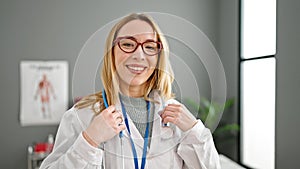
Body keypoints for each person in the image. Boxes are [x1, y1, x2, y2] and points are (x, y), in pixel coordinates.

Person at [40, 13, 221, 169]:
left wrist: (195, 131)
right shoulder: (82, 115)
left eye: (150, 47)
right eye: (127, 44)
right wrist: (90, 140)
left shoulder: (178, 117)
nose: (139, 55)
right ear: (111, 53)